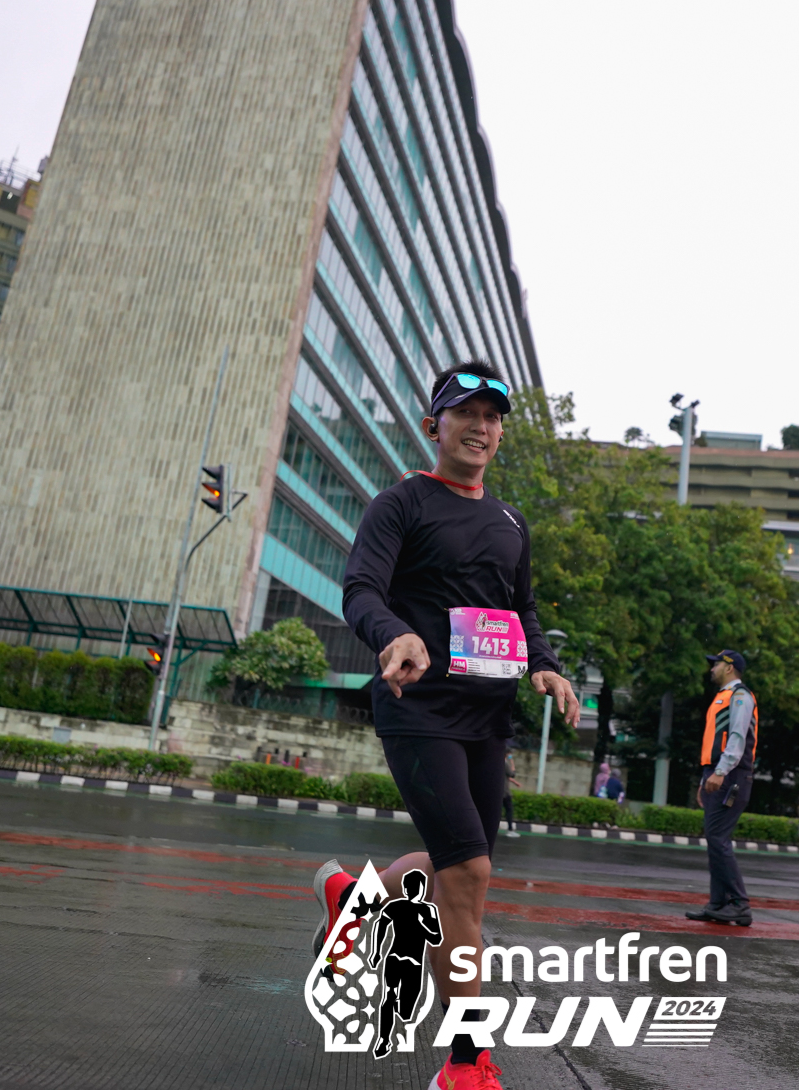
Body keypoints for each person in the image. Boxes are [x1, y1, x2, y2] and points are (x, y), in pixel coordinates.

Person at [308, 360, 578, 1090]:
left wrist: (545, 664)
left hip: (487, 718)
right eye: (467, 414)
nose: (481, 428)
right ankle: (465, 1063)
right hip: (418, 709)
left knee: (459, 860)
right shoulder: (401, 503)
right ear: (436, 425)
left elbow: (520, 609)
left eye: (493, 417)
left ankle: (354, 901)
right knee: (468, 873)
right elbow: (361, 588)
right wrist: (394, 633)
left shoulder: (511, 523)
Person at [686, 648, 758, 925]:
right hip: (719, 774)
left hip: (731, 776)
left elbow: (737, 738)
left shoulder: (740, 696)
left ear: (729, 667)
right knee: (714, 838)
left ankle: (739, 904)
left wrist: (720, 772)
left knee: (718, 838)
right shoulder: (723, 697)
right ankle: (718, 903)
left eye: (715, 664)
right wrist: (706, 778)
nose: (711, 668)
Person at [368, 868, 443, 1060]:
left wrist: (421, 926)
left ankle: (399, 1008)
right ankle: (384, 1040)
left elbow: (436, 938)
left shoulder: (428, 910)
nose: (413, 890)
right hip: (396, 958)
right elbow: (380, 925)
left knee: (405, 1010)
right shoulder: (396, 906)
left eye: (415, 887)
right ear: (406, 888)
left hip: (413, 963)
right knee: (389, 996)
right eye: (411, 887)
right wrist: (376, 952)